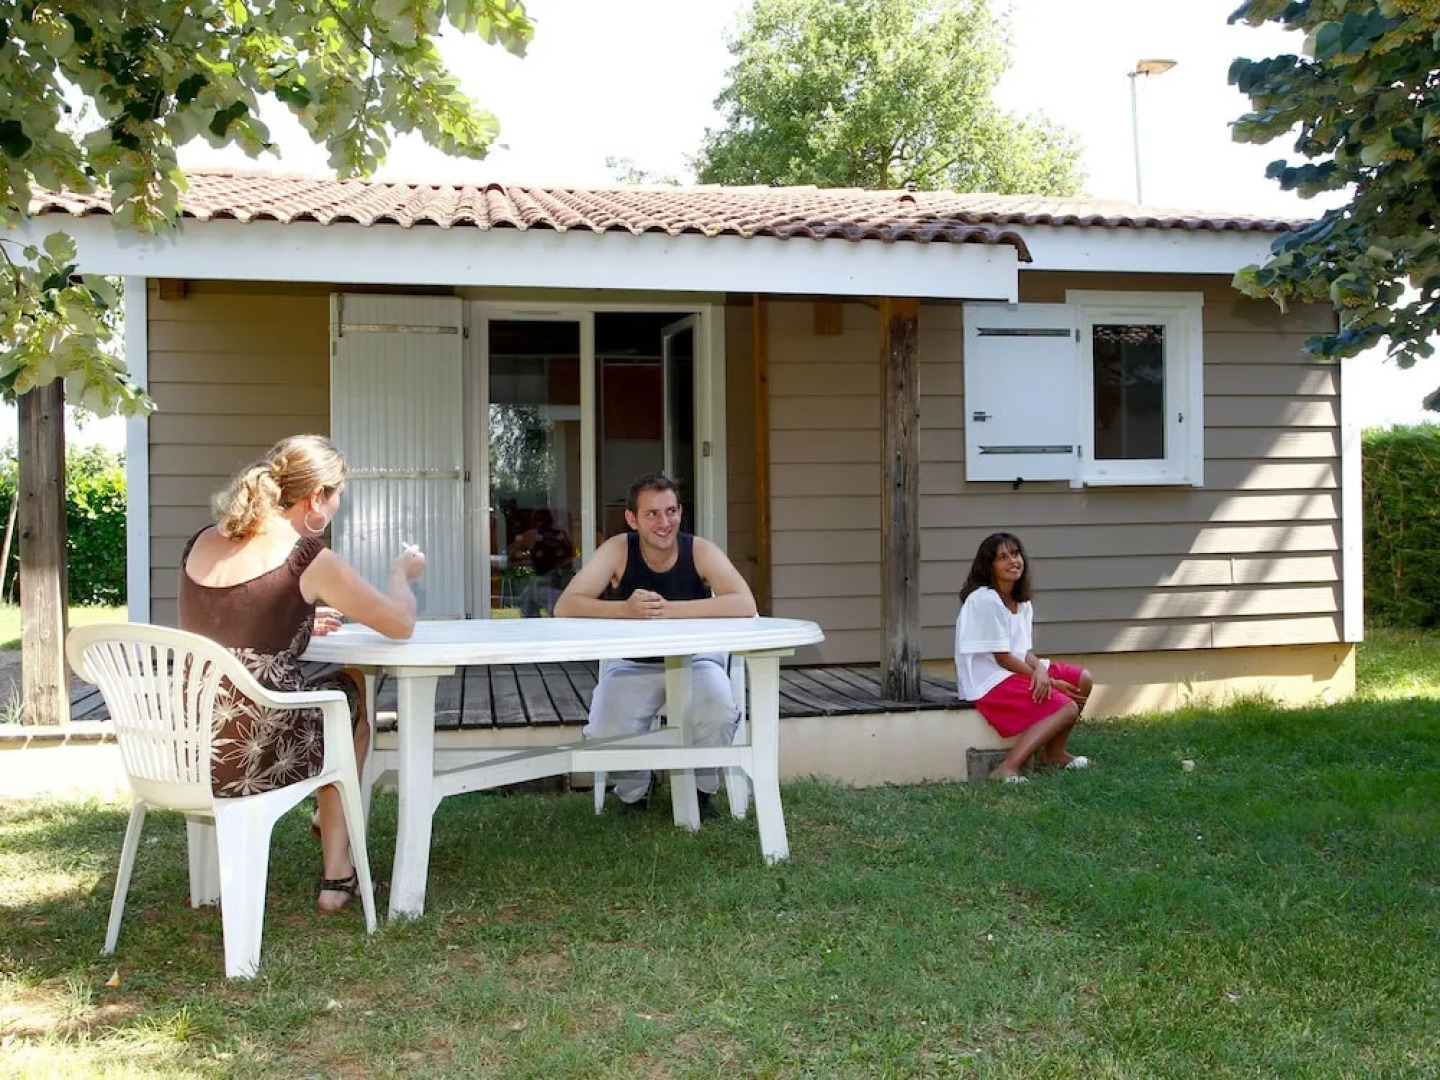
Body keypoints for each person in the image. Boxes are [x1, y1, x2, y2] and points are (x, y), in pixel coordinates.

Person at [178, 434, 426, 912]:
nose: (336, 507)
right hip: (253, 753)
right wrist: (401, 575)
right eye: (337, 497)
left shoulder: (201, 541)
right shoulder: (305, 556)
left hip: (190, 744)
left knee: (331, 698)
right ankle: (337, 873)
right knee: (351, 691)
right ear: (315, 498)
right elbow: (400, 623)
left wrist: (302, 617)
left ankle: (323, 832)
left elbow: (231, 624)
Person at [554, 472, 757, 817]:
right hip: (633, 663)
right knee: (604, 731)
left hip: (695, 661)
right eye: (652, 514)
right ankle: (635, 791)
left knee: (718, 714)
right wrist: (624, 610)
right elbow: (566, 605)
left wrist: (669, 610)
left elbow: (745, 602)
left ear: (680, 512)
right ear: (632, 518)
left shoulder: (699, 550)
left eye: (671, 511)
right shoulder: (618, 549)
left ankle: (700, 791)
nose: (664, 523)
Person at [953, 531, 1093, 783]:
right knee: (1067, 707)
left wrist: (1040, 670)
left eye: (1015, 554)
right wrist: (1048, 681)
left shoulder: (1022, 602)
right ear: (989, 566)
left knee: (1082, 679)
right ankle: (1007, 767)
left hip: (1014, 669)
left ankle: (1053, 754)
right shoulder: (985, 599)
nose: (1012, 561)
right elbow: (1002, 657)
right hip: (989, 679)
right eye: (1002, 557)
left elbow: (1022, 651)